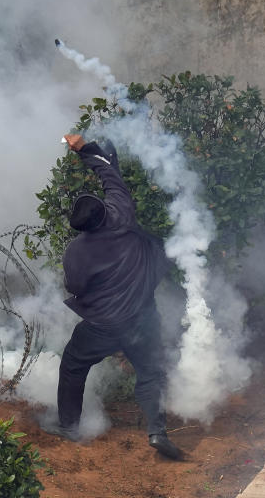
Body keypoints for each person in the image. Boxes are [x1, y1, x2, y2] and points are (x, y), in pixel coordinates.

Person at [43, 133, 183, 460]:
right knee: (150, 372)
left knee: (74, 366)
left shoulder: (77, 252)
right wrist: (84, 149)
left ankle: (69, 426)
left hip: (102, 325)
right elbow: (109, 174)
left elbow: (75, 288)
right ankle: (156, 432)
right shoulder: (121, 212)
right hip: (142, 316)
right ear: (103, 210)